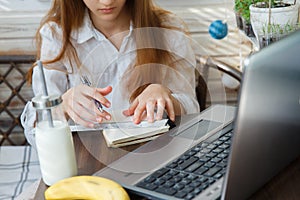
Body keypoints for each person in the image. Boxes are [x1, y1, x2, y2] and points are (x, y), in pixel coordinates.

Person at [21, 0, 200, 146]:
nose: (106, 2)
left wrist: (166, 96)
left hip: (154, 152)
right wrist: (62, 106)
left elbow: (193, 111)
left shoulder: (168, 29)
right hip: (85, 159)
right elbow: (36, 134)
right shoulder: (56, 35)